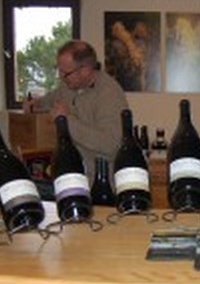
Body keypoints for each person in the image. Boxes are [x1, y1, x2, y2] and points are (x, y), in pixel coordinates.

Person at [24, 40, 128, 181]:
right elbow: (47, 102)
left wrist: (67, 120)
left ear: (85, 71)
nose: (61, 77)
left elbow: (110, 145)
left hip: (98, 184)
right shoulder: (67, 86)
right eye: (58, 70)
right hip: (70, 176)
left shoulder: (109, 94)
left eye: (65, 73)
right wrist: (33, 105)